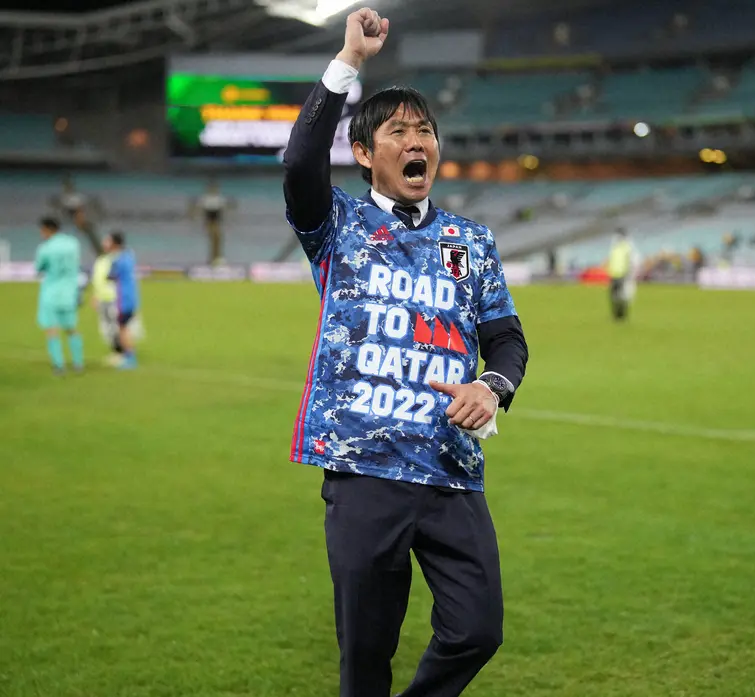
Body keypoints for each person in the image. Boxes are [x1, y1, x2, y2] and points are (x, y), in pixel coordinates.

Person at [282, 9, 528, 697]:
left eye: (426, 131)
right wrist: (348, 62)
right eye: (399, 131)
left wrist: (494, 384)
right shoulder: (337, 224)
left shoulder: (471, 241)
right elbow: (300, 162)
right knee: (366, 656)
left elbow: (505, 335)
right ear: (365, 153)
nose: (417, 141)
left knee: (478, 629)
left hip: (450, 468)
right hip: (363, 470)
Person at [34, 217, 85, 374]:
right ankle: (78, 364)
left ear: (47, 229)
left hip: (51, 293)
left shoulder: (46, 247)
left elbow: (39, 268)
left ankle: (59, 365)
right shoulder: (73, 243)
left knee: (51, 329)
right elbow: (77, 264)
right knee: (71, 328)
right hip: (70, 291)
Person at [107, 231, 140, 369]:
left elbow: (110, 276)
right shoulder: (129, 256)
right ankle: (129, 355)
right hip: (132, 297)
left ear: (114, 243)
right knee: (124, 327)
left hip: (123, 299)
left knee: (122, 328)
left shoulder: (118, 260)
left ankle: (129, 358)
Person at [91, 234, 124, 366]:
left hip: (113, 298)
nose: (105, 243)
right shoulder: (101, 260)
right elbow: (97, 280)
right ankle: (116, 352)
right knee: (107, 328)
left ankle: (121, 353)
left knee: (115, 327)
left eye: (108, 241)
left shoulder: (116, 259)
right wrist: (95, 296)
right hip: (102, 298)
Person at [607, 227, 638, 321]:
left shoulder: (627, 247)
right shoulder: (615, 247)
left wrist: (629, 274)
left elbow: (631, 261)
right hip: (614, 274)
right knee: (613, 296)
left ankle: (622, 315)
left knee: (622, 296)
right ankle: (616, 315)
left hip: (623, 274)